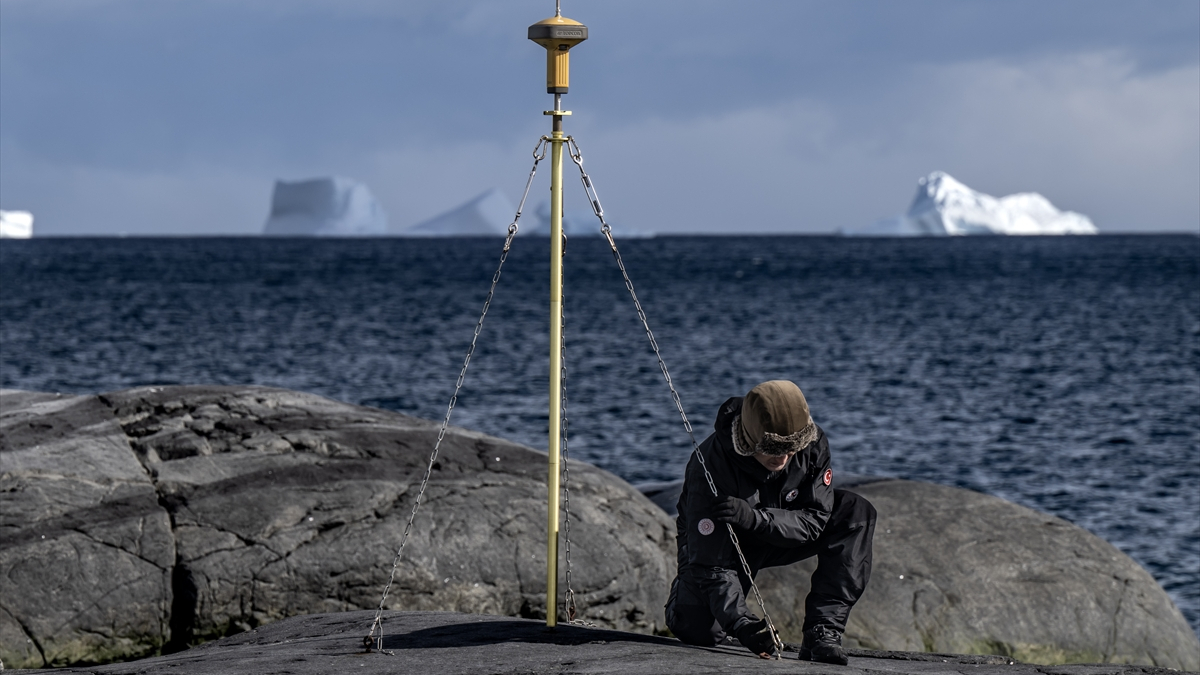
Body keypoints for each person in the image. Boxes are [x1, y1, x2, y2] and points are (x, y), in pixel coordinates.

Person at [664, 380, 877, 664]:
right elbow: (710, 562)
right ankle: (684, 596)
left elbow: (815, 520)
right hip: (723, 551)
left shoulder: (812, 443)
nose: (783, 457)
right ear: (751, 438)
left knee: (855, 512)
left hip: (777, 529)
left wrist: (756, 518)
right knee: (698, 630)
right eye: (773, 449)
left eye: (791, 448)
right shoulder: (709, 465)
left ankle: (822, 631)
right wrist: (741, 623)